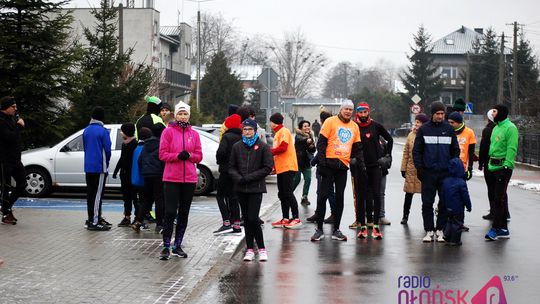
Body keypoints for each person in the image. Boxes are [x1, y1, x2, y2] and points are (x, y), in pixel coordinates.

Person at [310, 100, 363, 242]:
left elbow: (358, 149)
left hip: (342, 167)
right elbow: (321, 144)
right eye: (345, 109)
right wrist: (321, 164)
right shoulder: (330, 122)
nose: (347, 111)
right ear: (340, 109)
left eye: (350, 110)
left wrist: (361, 166)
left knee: (340, 198)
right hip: (328, 164)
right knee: (322, 197)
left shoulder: (354, 127)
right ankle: (319, 229)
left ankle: (336, 229)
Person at [158, 101, 202, 259]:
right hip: (171, 178)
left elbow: (199, 155)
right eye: (180, 114)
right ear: (175, 115)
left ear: (188, 116)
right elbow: (162, 154)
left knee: (184, 213)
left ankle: (178, 245)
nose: (183, 117)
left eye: (185, 114)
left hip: (189, 179)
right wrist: (177, 156)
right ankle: (165, 246)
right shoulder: (168, 132)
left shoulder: (194, 134)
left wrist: (189, 156)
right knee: (170, 212)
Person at [413, 101, 460, 243]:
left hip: (445, 173)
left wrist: (452, 166)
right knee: (427, 203)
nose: (440, 116)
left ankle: (440, 229)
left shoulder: (449, 129)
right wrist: (420, 168)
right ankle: (428, 230)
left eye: (442, 114)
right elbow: (417, 151)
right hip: (428, 173)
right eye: (438, 113)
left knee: (444, 203)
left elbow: (455, 150)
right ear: (432, 114)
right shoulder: (424, 129)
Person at [229, 118, 274, 262]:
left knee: (254, 218)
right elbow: (231, 167)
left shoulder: (262, 146)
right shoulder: (237, 146)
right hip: (241, 188)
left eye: (250, 129)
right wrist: (239, 178)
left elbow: (267, 167)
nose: (247, 132)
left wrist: (249, 178)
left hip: (256, 188)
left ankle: (261, 249)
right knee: (247, 220)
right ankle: (249, 249)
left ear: (255, 131)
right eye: (245, 129)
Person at [351, 102, 393, 240]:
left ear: (369, 112)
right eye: (361, 112)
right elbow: (347, 143)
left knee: (376, 195)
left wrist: (387, 156)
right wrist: (351, 158)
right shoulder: (354, 126)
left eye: (365, 112)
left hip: (375, 166)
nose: (363, 115)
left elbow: (389, 139)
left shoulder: (376, 126)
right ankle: (363, 226)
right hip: (360, 167)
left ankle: (375, 226)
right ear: (357, 113)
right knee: (361, 196)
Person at [485, 104, 518, 241]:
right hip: (492, 167)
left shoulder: (510, 128)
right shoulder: (496, 128)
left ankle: (496, 228)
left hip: (503, 168)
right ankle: (503, 228)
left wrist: (507, 166)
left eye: (494, 111)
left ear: (501, 112)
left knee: (499, 198)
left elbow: (511, 148)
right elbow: (492, 147)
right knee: (497, 198)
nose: (492, 113)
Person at [269, 112, 302, 229]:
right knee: (282, 194)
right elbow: (278, 154)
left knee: (287, 193)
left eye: (270, 121)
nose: (270, 124)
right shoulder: (278, 133)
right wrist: (274, 167)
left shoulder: (284, 131)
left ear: (273, 122)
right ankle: (285, 218)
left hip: (288, 167)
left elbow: (283, 148)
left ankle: (296, 218)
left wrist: (268, 151)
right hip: (281, 168)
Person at [83, 106, 112, 231]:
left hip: (88, 166)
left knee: (91, 194)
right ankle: (95, 221)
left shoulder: (86, 130)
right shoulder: (103, 131)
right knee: (97, 195)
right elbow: (108, 149)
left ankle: (91, 218)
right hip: (99, 167)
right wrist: (107, 162)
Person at [214, 114, 243, 234]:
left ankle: (226, 222)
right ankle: (236, 225)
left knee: (220, 195)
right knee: (234, 197)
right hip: (237, 171)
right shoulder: (242, 137)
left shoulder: (226, 137)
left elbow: (221, 152)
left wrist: (220, 162)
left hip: (226, 170)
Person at [306, 111, 336, 224]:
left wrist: (313, 161)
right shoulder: (327, 128)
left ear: (322, 120)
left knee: (328, 191)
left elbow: (323, 150)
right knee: (321, 192)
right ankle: (319, 212)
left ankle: (334, 214)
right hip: (323, 164)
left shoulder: (328, 130)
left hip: (325, 165)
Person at [400, 113, 429, 225]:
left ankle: (426, 218)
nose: (416, 124)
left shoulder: (427, 134)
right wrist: (403, 168)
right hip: (411, 169)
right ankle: (405, 216)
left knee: (426, 196)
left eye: (419, 122)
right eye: (416, 121)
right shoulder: (411, 135)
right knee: (408, 194)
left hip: (423, 168)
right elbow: (406, 152)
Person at [0, 96, 25, 224]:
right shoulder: (2, 121)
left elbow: (16, 138)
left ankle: (6, 207)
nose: (15, 109)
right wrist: (18, 126)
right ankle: (5, 214)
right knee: (6, 186)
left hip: (15, 159)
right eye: (13, 107)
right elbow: (9, 137)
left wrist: (18, 124)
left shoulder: (12, 119)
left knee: (22, 183)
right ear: (6, 108)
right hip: (5, 160)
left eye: (16, 106)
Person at [138, 125, 165, 234]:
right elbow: (163, 159)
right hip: (158, 174)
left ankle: (138, 221)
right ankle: (159, 224)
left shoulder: (146, 144)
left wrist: (144, 170)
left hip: (146, 174)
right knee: (159, 199)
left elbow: (140, 160)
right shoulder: (161, 144)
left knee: (147, 199)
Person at [112, 123, 139, 227]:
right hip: (124, 175)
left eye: (122, 131)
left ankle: (137, 217)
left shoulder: (134, 144)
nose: (121, 133)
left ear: (127, 132)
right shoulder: (124, 144)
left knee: (134, 197)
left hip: (132, 175)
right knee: (126, 197)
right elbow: (122, 158)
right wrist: (116, 170)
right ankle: (127, 217)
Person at [441, 158, 472, 246]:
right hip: (458, 208)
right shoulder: (461, 182)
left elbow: (442, 194)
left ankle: (447, 235)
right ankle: (455, 240)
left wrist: (443, 205)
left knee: (449, 221)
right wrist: (468, 206)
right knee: (457, 223)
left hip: (447, 206)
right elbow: (465, 196)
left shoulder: (445, 181)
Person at [447, 112, 476, 180]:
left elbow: (471, 153)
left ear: (459, 122)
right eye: (449, 122)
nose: (450, 124)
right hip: (447, 167)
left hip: (461, 168)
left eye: (452, 122)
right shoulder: (447, 131)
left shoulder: (469, 132)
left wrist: (470, 168)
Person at [293, 120, 316, 206]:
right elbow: (301, 140)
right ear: (301, 128)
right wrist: (308, 140)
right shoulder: (298, 136)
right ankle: (288, 195)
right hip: (298, 161)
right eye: (305, 126)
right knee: (297, 179)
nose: (307, 127)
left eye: (308, 126)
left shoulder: (310, 136)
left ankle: (304, 197)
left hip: (306, 162)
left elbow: (313, 150)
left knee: (308, 179)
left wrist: (312, 146)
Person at [478, 110, 496, 220]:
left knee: (491, 188)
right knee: (500, 189)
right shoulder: (500, 129)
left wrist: (481, 163)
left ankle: (493, 211)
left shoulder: (488, 130)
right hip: (500, 162)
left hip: (489, 162)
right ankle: (504, 211)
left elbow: (483, 148)